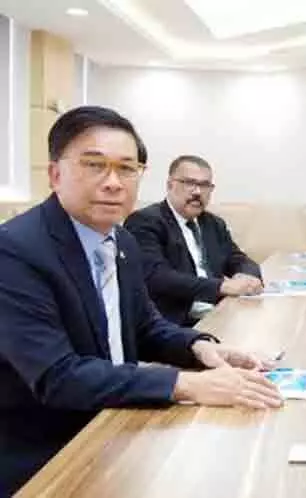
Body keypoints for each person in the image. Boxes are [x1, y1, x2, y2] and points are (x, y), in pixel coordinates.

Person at [0, 106, 282, 495]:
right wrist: (185, 384)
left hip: (117, 427)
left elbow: (145, 327)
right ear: (55, 174)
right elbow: (59, 377)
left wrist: (200, 348)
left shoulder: (122, 241)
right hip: (50, 458)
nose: (113, 183)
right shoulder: (15, 251)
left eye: (127, 169)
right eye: (94, 165)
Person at [124, 155, 263, 326]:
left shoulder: (213, 224)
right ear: (170, 185)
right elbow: (157, 277)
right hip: (173, 325)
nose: (197, 192)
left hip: (218, 313)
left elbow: (238, 258)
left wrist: (247, 276)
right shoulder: (145, 221)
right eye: (189, 183)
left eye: (204, 185)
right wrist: (220, 287)